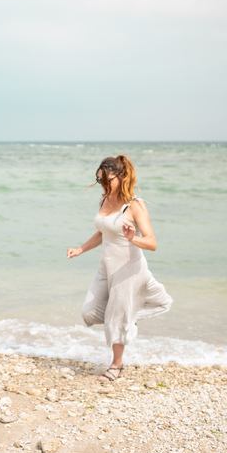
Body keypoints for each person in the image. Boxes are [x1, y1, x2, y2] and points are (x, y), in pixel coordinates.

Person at [67, 154, 173, 379]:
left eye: (107, 180)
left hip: (128, 269)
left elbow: (152, 242)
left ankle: (116, 364)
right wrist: (81, 249)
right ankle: (126, 317)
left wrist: (132, 238)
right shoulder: (105, 200)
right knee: (89, 310)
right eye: (100, 180)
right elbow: (103, 231)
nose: (104, 185)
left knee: (117, 317)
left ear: (121, 176)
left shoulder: (134, 206)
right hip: (106, 267)